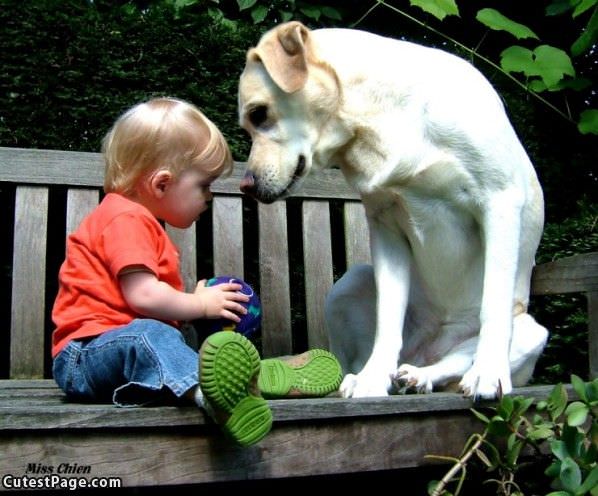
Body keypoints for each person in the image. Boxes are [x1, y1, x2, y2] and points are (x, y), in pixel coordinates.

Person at [51, 97, 341, 447]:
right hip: (84, 357)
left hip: (120, 353)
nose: (209, 196)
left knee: (168, 338)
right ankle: (215, 396)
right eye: (203, 185)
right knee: (149, 335)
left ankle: (236, 378)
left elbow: (146, 299)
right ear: (162, 184)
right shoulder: (125, 219)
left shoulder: (137, 221)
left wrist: (194, 306)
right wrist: (199, 304)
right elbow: (142, 296)